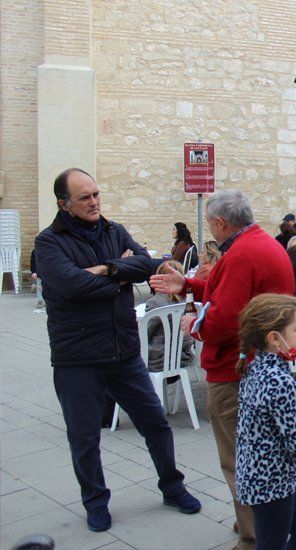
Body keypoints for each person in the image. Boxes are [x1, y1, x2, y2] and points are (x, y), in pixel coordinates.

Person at [36, 168, 200, 533]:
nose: (94, 202)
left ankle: (172, 487)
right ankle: (96, 503)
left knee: (156, 425)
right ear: (64, 204)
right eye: (84, 198)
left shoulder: (114, 230)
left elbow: (147, 264)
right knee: (84, 438)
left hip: (123, 352)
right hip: (77, 358)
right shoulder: (49, 243)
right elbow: (71, 285)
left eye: (96, 194)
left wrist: (107, 268)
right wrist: (119, 277)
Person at [150, 189, 293, 549]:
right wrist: (191, 286)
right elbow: (226, 294)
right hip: (256, 365)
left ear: (220, 222)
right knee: (259, 454)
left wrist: (194, 325)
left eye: (211, 225)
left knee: (239, 458)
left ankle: (254, 535)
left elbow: (225, 318)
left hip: (236, 369)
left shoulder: (242, 254)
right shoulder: (259, 245)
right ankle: (261, 522)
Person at [234, 294, 296, 550]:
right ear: (274, 338)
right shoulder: (279, 379)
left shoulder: (256, 368)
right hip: (271, 482)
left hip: (261, 475)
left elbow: (269, 424)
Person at [145, 260, 195, 371]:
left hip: (158, 359)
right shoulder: (189, 300)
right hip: (183, 355)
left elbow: (146, 334)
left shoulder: (155, 303)